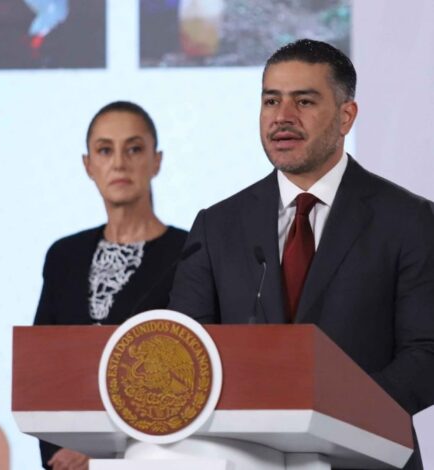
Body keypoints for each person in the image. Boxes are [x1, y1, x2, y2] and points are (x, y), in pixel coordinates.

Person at [168, 39, 434, 469]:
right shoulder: (217, 226)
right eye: (271, 101)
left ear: (346, 116)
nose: (282, 117)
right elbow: (185, 352)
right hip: (244, 458)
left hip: (366, 458)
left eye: (304, 101)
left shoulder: (409, 219)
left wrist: (334, 414)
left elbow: (426, 354)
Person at [34, 100, 188, 469]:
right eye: (105, 150)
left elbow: (191, 378)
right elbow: (41, 368)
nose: (119, 163)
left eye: (134, 149)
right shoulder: (63, 256)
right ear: (88, 165)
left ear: (156, 161)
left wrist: (106, 455)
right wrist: (59, 451)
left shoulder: (191, 254)